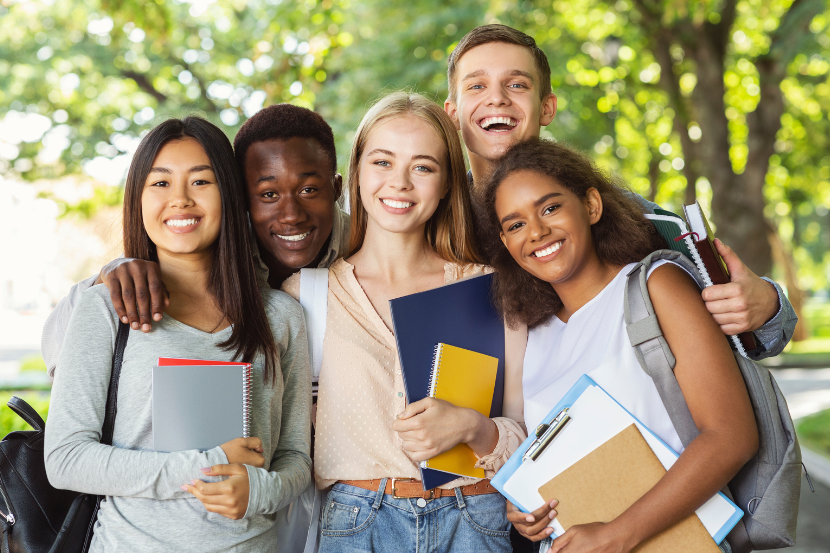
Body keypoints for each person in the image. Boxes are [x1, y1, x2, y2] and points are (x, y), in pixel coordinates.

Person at [443, 24, 797, 360]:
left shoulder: (624, 214)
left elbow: (742, 336)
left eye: (517, 84)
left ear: (547, 107)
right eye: (476, 86)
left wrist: (766, 307)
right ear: (453, 114)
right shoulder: (432, 222)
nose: (497, 99)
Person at [44, 117, 312, 552]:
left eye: (201, 181)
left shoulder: (282, 316)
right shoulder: (105, 308)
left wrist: (260, 490)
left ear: (228, 193)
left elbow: (296, 457)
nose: (181, 200)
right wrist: (210, 465)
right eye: (160, 183)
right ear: (138, 198)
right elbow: (66, 459)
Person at [483, 138, 758, 552]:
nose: (537, 231)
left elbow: (731, 437)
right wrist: (527, 513)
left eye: (550, 207)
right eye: (516, 224)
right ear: (506, 242)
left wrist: (618, 534)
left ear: (591, 206)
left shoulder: (655, 285)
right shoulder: (534, 334)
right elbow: (551, 455)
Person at [280, 91, 526, 552]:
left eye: (423, 167)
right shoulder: (305, 296)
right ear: (355, 173)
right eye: (382, 162)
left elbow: (531, 431)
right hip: (355, 525)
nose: (400, 184)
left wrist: (475, 429)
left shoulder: (492, 290)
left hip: (473, 519)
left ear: (448, 182)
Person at [41, 104, 348, 377]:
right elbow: (58, 352)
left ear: (336, 188)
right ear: (239, 197)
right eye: (268, 194)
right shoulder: (205, 250)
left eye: (308, 190)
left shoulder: (367, 246)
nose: (291, 215)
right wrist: (108, 277)